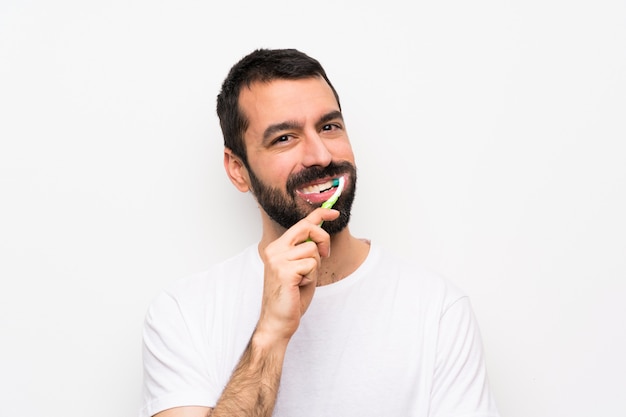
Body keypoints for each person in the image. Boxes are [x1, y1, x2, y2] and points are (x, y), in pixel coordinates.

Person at [140, 48, 500, 417]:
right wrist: (270, 335)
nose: (321, 156)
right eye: (284, 138)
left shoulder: (438, 311)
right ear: (237, 170)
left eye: (329, 127)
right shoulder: (184, 314)